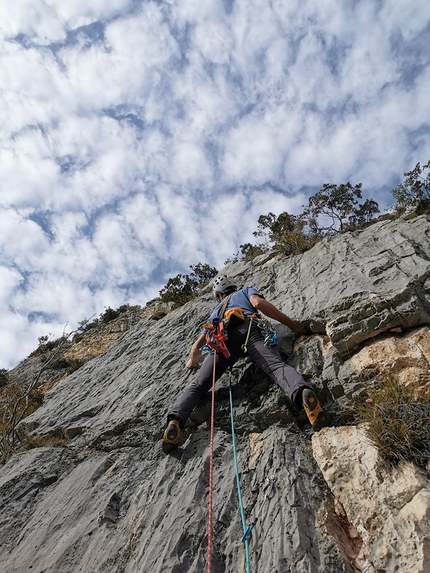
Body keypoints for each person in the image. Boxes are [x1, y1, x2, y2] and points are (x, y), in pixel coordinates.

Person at [163, 275, 328, 449]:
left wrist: (192, 361)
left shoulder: (216, 311)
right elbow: (258, 304)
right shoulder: (245, 291)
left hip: (223, 344)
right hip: (249, 329)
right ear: (233, 287)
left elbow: (196, 346)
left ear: (218, 294)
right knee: (277, 367)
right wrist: (290, 324)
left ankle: (176, 420)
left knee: (198, 386)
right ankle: (302, 392)